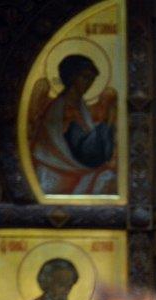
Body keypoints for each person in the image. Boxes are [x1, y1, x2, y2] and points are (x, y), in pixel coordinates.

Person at [28, 54, 117, 195]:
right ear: (72, 77)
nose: (89, 83)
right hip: (58, 164)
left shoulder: (82, 107)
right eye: (85, 77)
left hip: (81, 161)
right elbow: (56, 140)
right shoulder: (59, 108)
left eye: (92, 79)